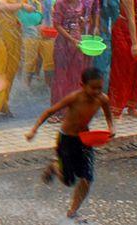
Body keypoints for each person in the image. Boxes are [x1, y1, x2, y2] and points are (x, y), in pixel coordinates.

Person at [25, 67, 114, 222]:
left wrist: (111, 128)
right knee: (68, 181)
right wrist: (34, 130)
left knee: (87, 178)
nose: (97, 91)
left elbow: (108, 114)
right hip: (66, 140)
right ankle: (54, 167)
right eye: (93, 88)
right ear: (82, 85)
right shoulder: (74, 98)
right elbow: (49, 111)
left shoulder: (102, 99)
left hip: (85, 139)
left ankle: (73, 211)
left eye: (100, 87)